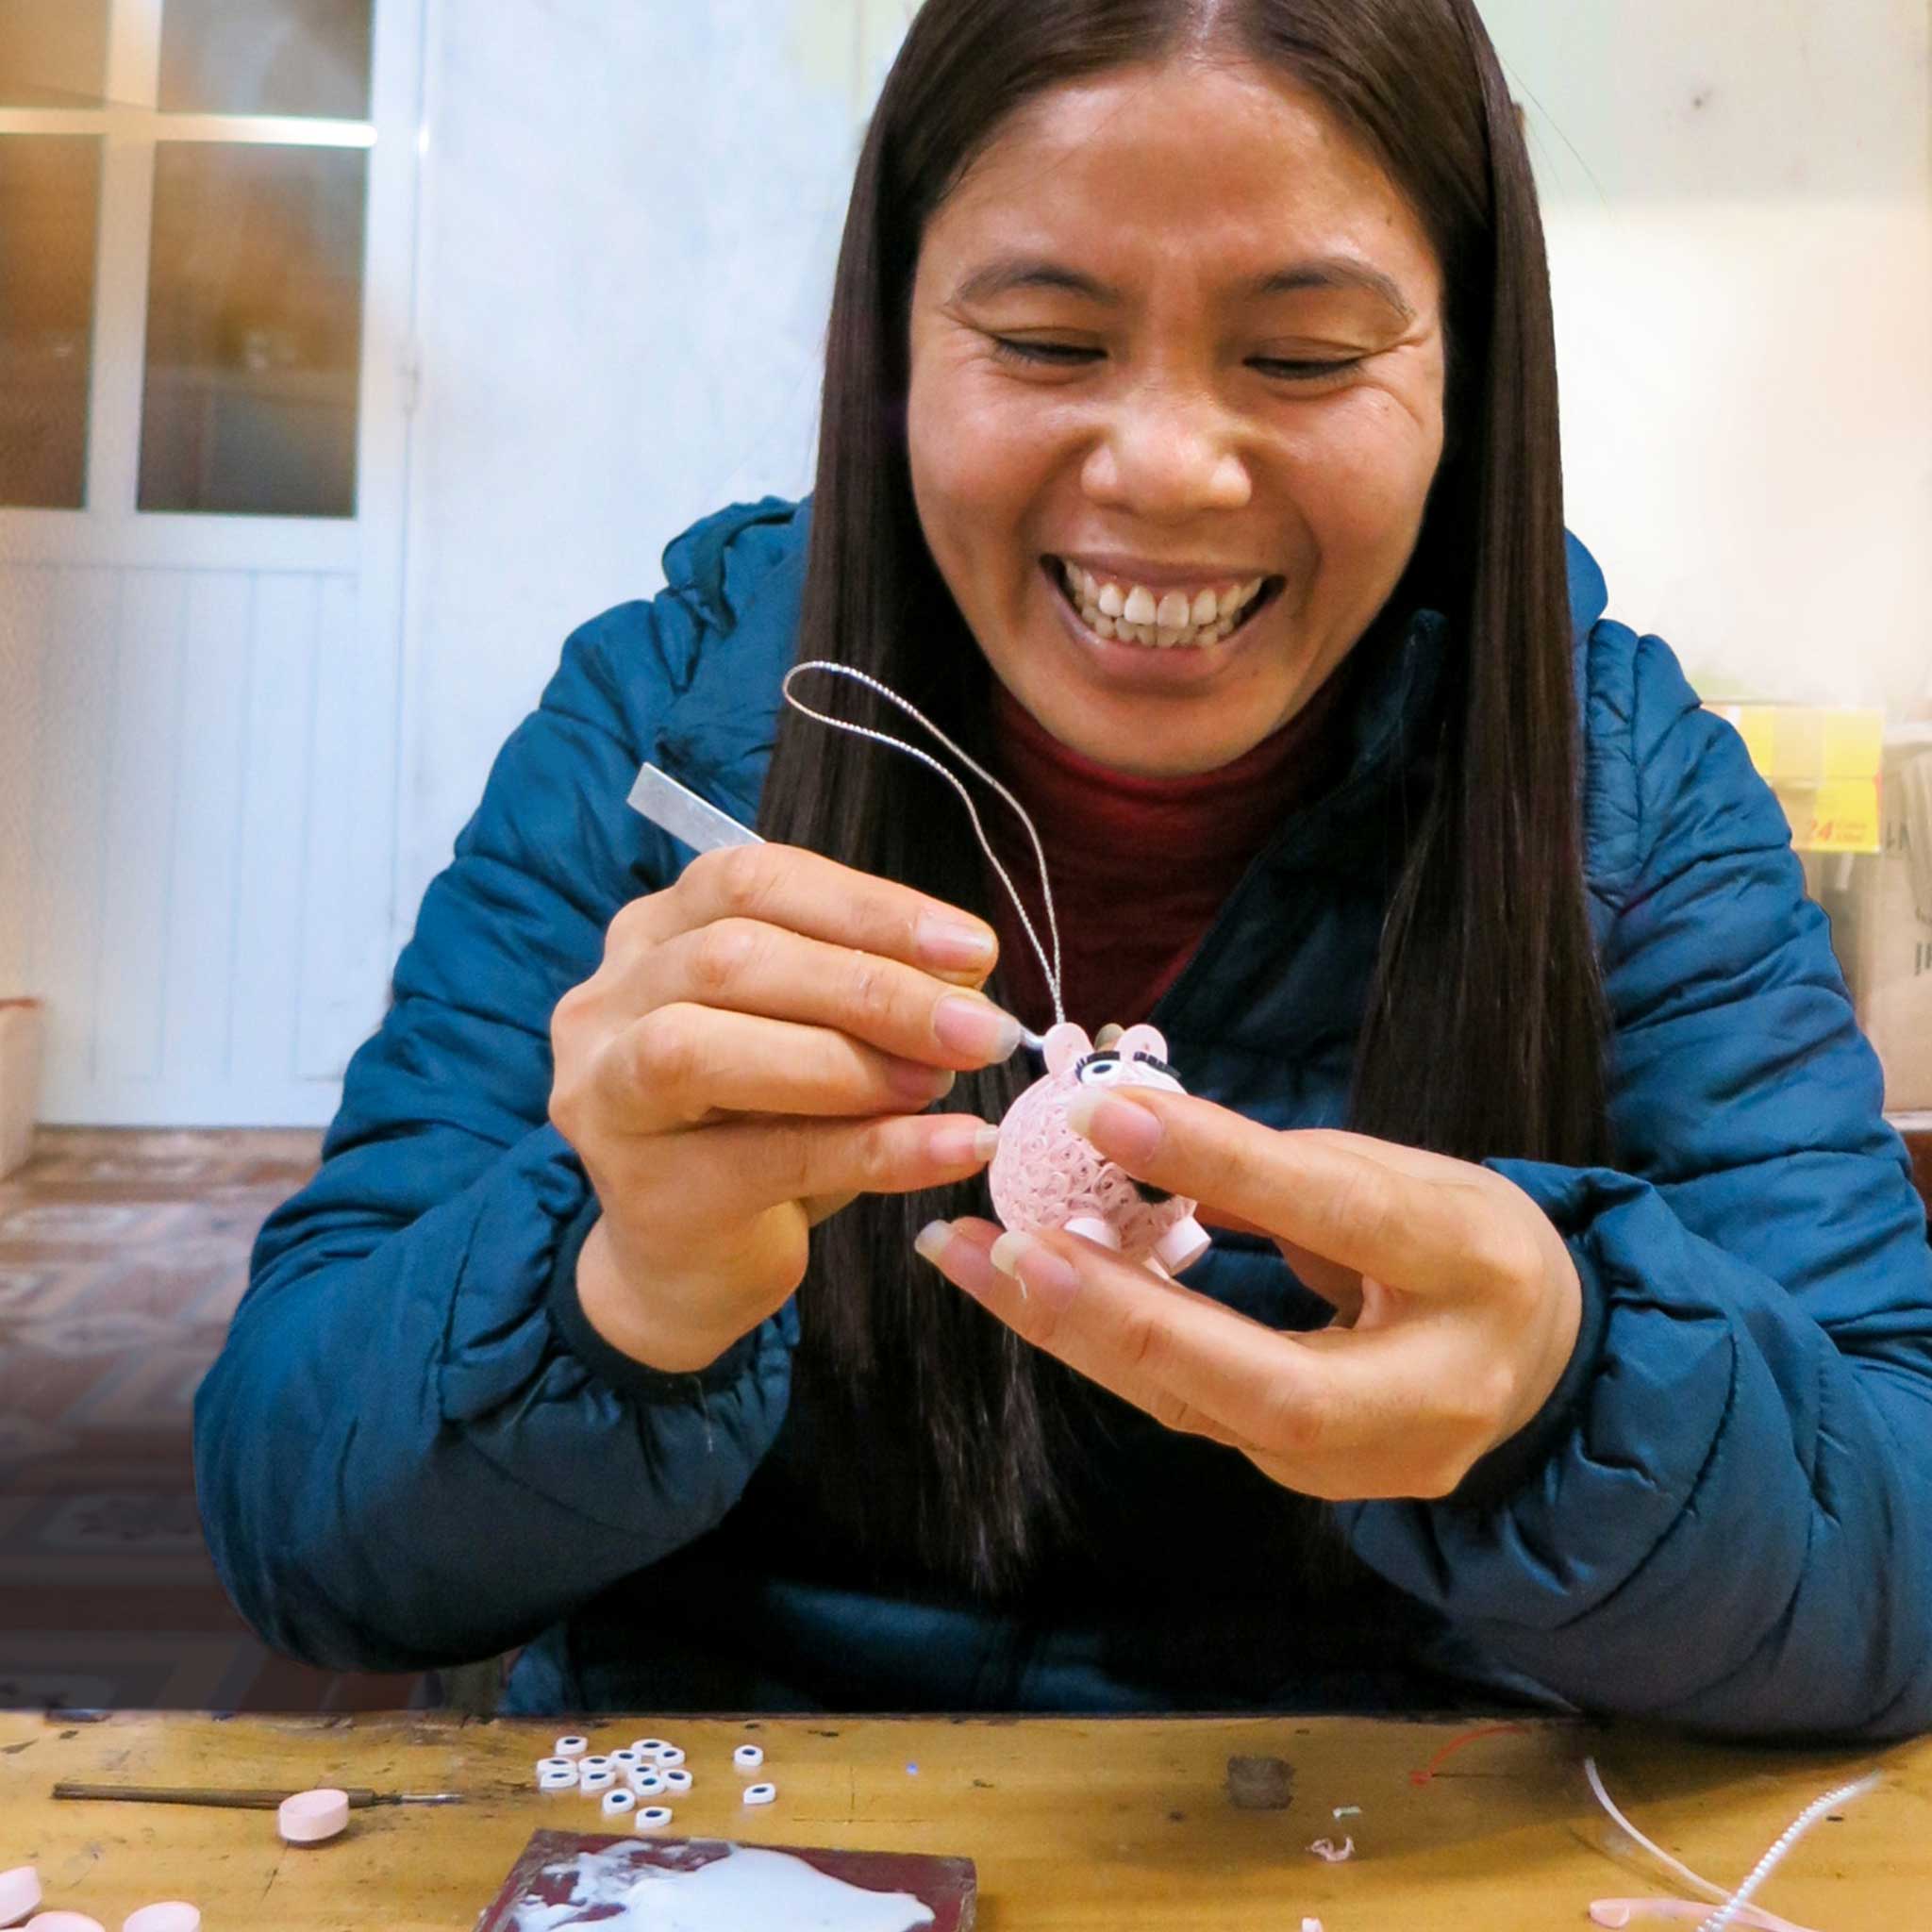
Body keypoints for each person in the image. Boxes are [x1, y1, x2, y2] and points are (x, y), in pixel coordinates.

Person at [194, 0, 1932, 1739]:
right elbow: (299, 1532)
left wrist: (1571, 1383)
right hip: (735, 1823)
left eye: (1309, 356)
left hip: (1383, 1840)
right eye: (1043, 340)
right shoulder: (678, 727)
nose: (1168, 468)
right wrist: (615, 1288)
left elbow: (1904, 1549)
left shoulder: (1617, 795)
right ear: (894, 346)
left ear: (1465, 379)